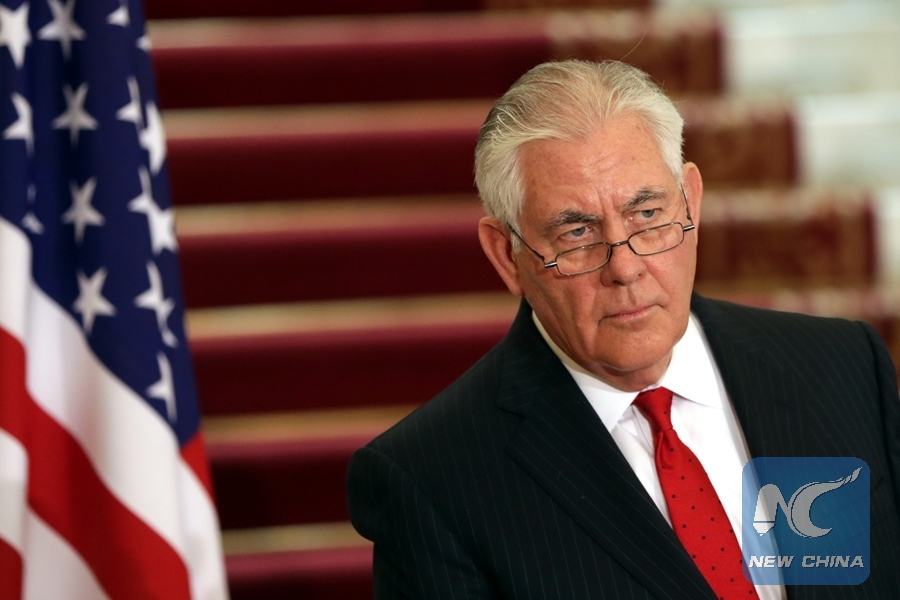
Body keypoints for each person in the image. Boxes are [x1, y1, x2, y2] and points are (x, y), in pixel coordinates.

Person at [346, 59, 900, 599]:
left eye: (647, 215)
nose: (626, 267)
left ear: (691, 201)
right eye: (577, 233)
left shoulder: (841, 365)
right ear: (507, 256)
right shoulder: (432, 481)